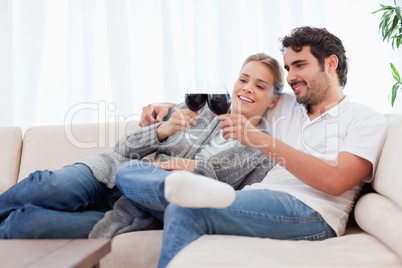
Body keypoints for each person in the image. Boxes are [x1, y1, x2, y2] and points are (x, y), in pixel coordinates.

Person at [118, 26, 388, 268]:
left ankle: (175, 189)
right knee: (126, 171)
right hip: (259, 194)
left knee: (187, 206)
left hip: (311, 212)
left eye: (300, 65)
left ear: (330, 63)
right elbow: (243, 95)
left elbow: (336, 181)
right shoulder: (288, 104)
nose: (292, 76)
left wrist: (260, 140)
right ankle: (174, 187)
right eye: (288, 68)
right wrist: (167, 106)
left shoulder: (366, 119)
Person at [0, 53, 282, 239]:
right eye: (243, 79)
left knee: (23, 225)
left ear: (273, 100)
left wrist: (196, 168)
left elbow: (234, 204)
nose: (246, 88)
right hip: (111, 173)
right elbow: (122, 149)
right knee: (43, 185)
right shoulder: (198, 110)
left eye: (259, 86)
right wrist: (161, 130)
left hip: (137, 210)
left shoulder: (263, 150)